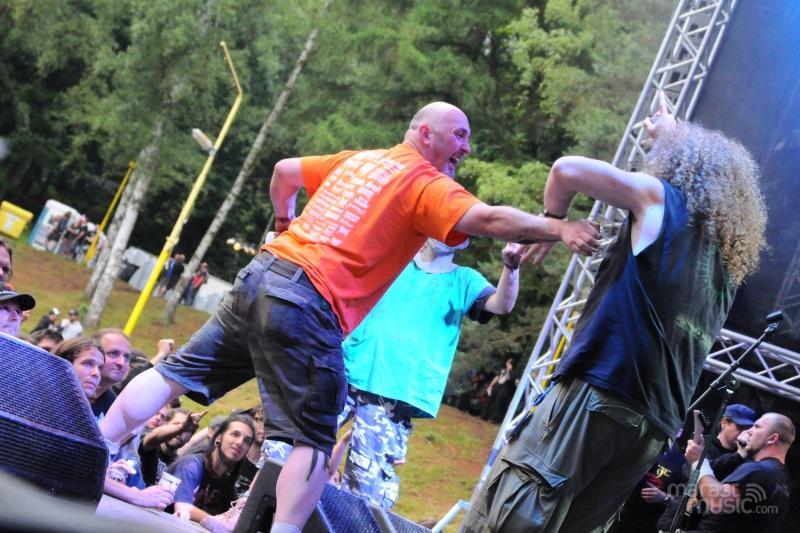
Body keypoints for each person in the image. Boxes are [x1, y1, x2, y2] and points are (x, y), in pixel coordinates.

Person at [100, 101, 600, 532]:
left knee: (175, 372)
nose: (466, 148)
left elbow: (283, 172)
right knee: (314, 439)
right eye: (460, 136)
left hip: (263, 274)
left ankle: (92, 448)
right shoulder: (423, 181)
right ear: (426, 134)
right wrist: (558, 228)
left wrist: (284, 220)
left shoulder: (359, 160)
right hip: (308, 303)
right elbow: (488, 218)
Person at [463, 92, 768, 532]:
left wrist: (551, 222)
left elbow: (565, 170)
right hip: (654, 423)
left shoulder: (662, 200)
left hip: (603, 391)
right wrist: (673, 136)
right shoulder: (725, 267)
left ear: (679, 162)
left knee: (519, 505)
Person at [334, 239, 524, 510]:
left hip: (395, 394)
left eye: (458, 231)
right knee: (291, 446)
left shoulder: (464, 280)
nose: (447, 235)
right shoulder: (395, 257)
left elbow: (502, 304)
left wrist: (511, 267)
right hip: (345, 369)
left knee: (363, 493)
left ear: (465, 241)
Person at [691, 413, 794, 532]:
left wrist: (699, 462)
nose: (749, 431)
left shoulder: (758, 469)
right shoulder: (784, 479)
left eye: (757, 426)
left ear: (772, 438)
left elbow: (717, 501)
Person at [168, 414, 255, 532]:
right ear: (219, 438)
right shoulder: (191, 465)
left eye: (247, 441)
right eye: (235, 434)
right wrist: (219, 523)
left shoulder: (228, 485)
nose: (240, 442)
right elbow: (182, 509)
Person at [139, 407, 205, 486]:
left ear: (189, 438)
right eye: (176, 425)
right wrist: (181, 428)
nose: (180, 432)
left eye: (187, 430)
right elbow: (153, 438)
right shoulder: (150, 443)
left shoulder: (179, 466)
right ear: (164, 425)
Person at [685, 403, 757, 463]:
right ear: (724, 424)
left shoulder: (745, 453)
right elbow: (704, 470)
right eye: (741, 427)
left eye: (748, 428)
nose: (744, 432)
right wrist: (738, 455)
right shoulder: (704, 444)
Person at [481, 358, 518, 424]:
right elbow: (497, 377)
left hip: (505, 389)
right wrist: (491, 385)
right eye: (507, 362)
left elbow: (507, 378)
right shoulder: (502, 370)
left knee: (498, 404)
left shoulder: (513, 373)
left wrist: (508, 371)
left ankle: (493, 418)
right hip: (498, 386)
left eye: (509, 363)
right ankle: (484, 415)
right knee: (491, 400)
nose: (507, 363)